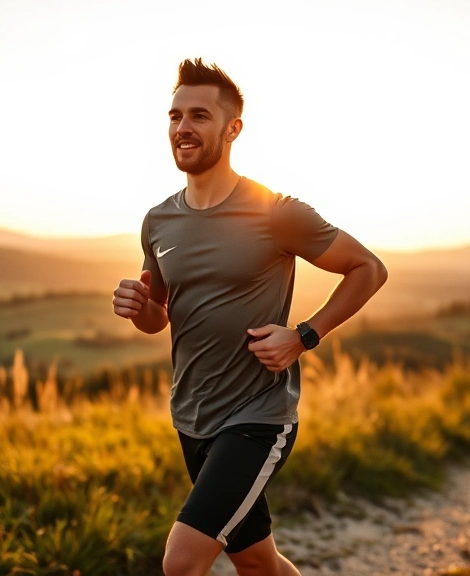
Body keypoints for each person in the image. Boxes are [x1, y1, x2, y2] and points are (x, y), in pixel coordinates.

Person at [112, 58, 388, 576]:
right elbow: (160, 316)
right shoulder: (158, 220)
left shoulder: (274, 211)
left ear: (232, 128)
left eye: (198, 115)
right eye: (174, 116)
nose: (182, 128)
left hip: (257, 417)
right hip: (191, 416)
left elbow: (367, 269)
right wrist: (140, 309)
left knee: (182, 562)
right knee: (258, 562)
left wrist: (305, 335)